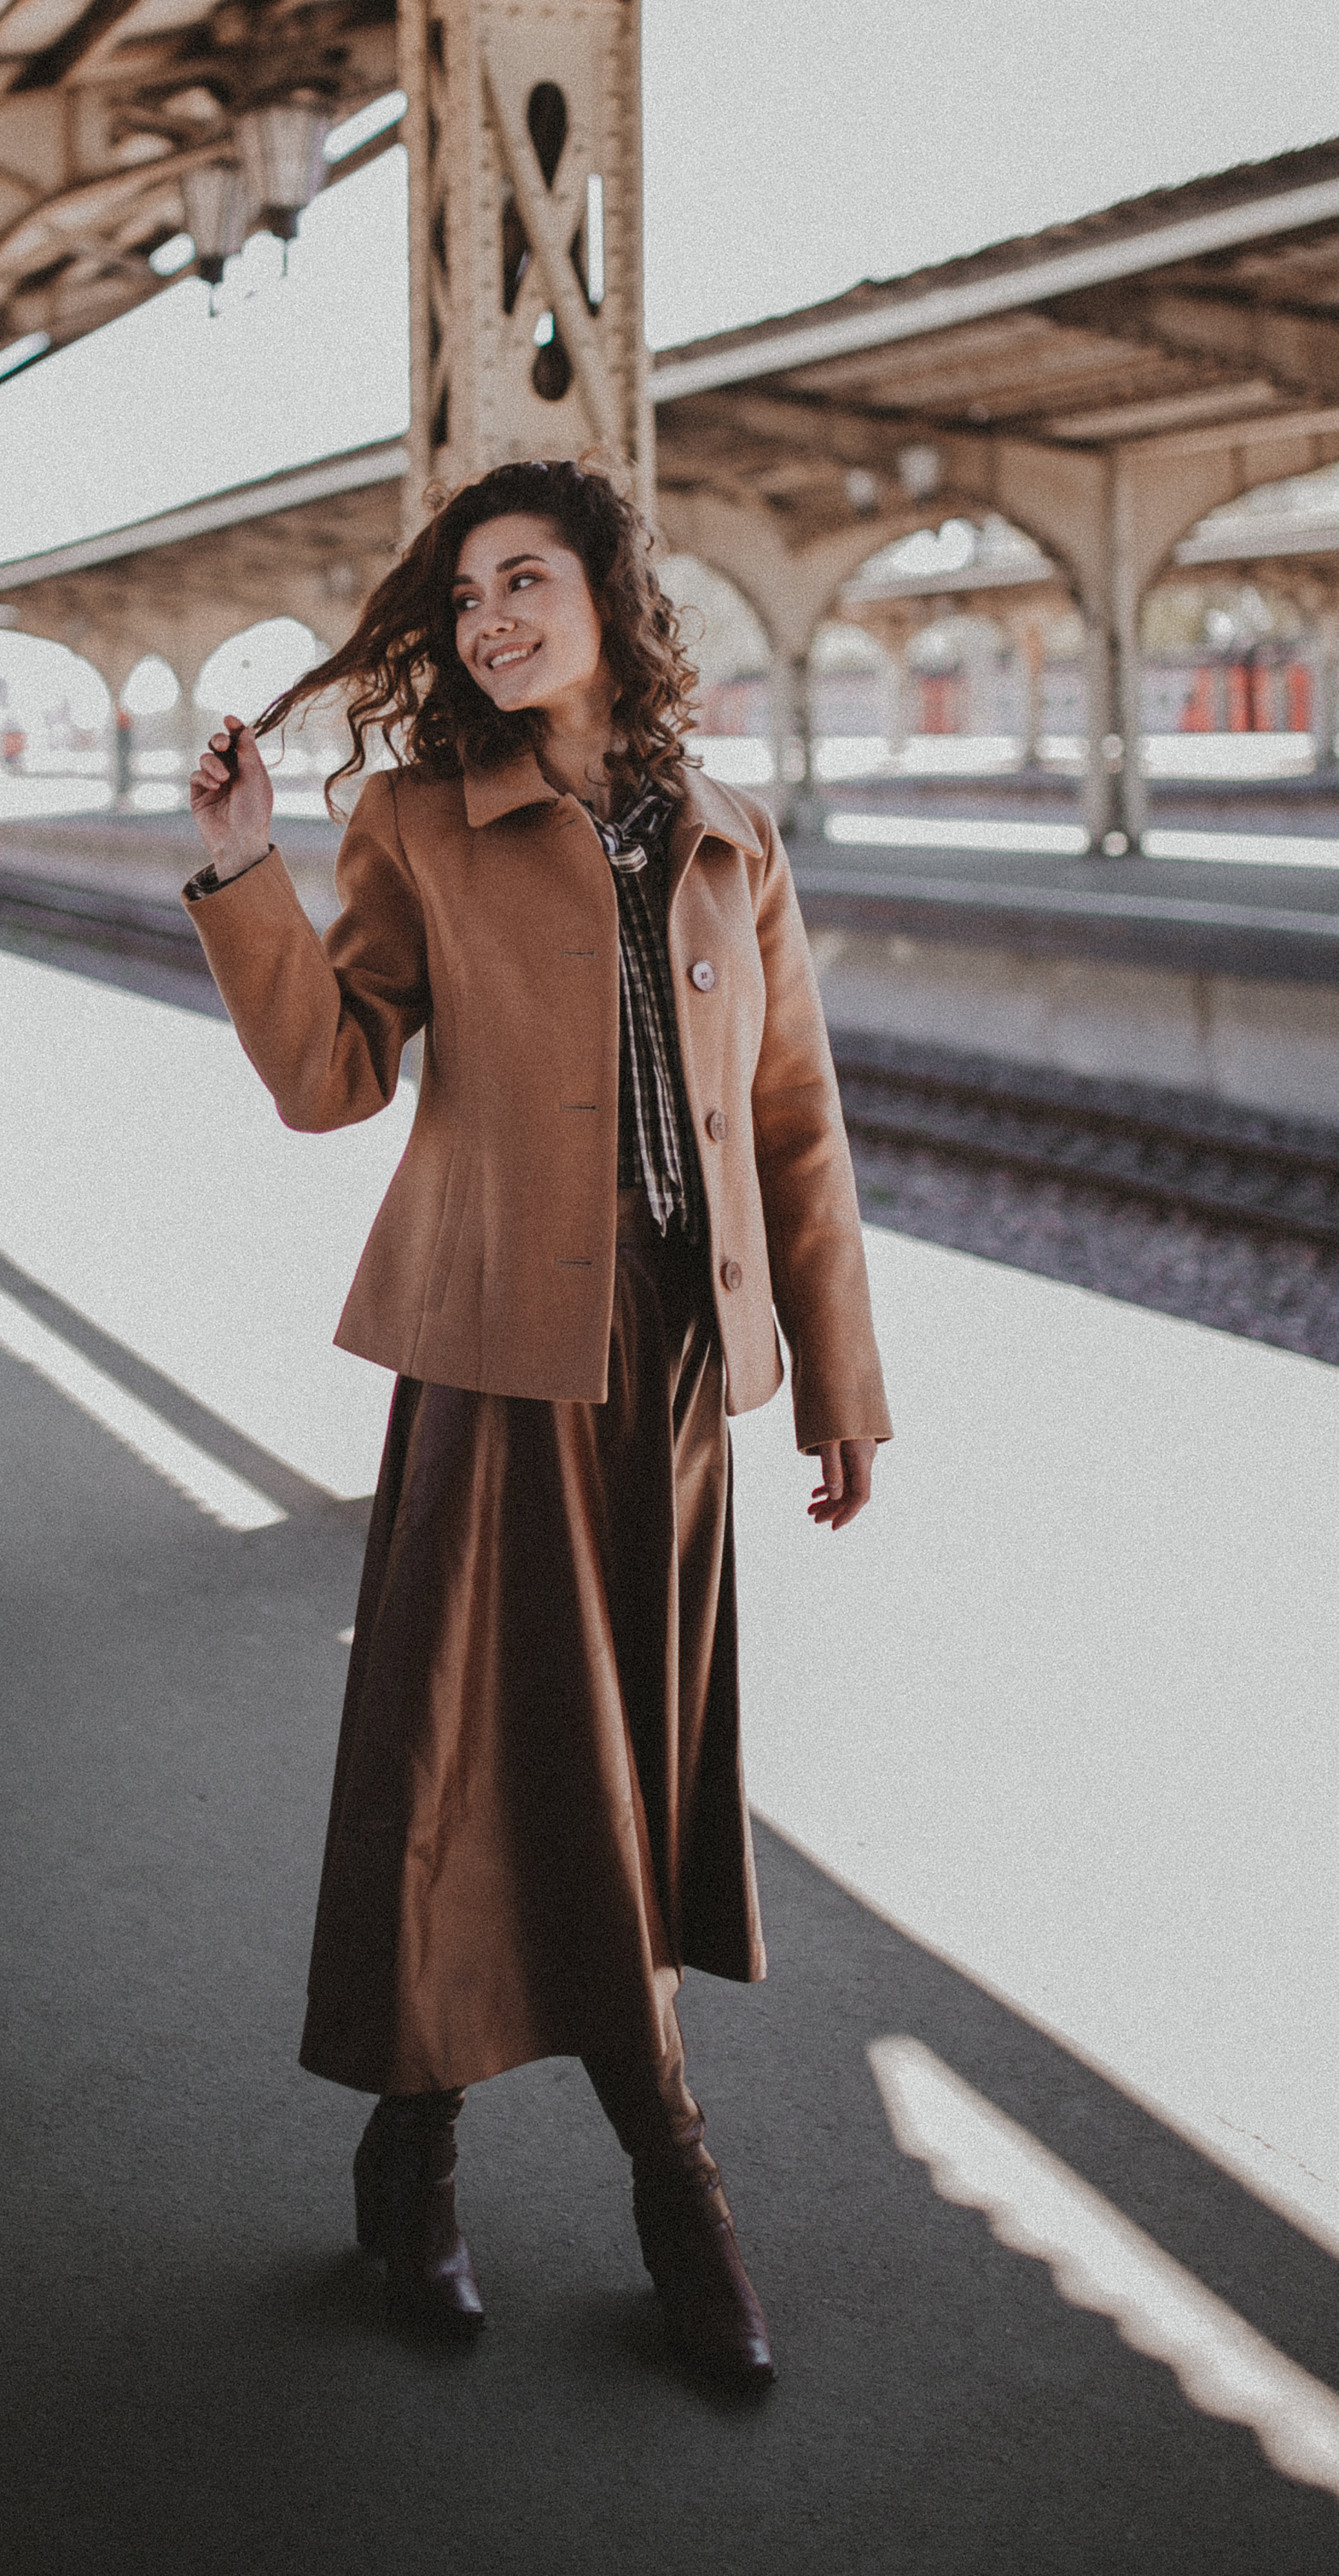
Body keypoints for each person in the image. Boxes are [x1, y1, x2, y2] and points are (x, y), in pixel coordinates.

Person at [183, 458, 891, 2384]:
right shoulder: (418, 820)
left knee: (592, 1774)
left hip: (674, 1384)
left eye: (524, 580)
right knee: (480, 1770)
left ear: (604, 595)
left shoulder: (731, 836)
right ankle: (671, 2183)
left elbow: (796, 1131)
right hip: (494, 1369)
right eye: (465, 592)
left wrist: (837, 1383)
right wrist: (245, 869)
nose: (490, 618)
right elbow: (329, 1080)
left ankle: (410, 2155)